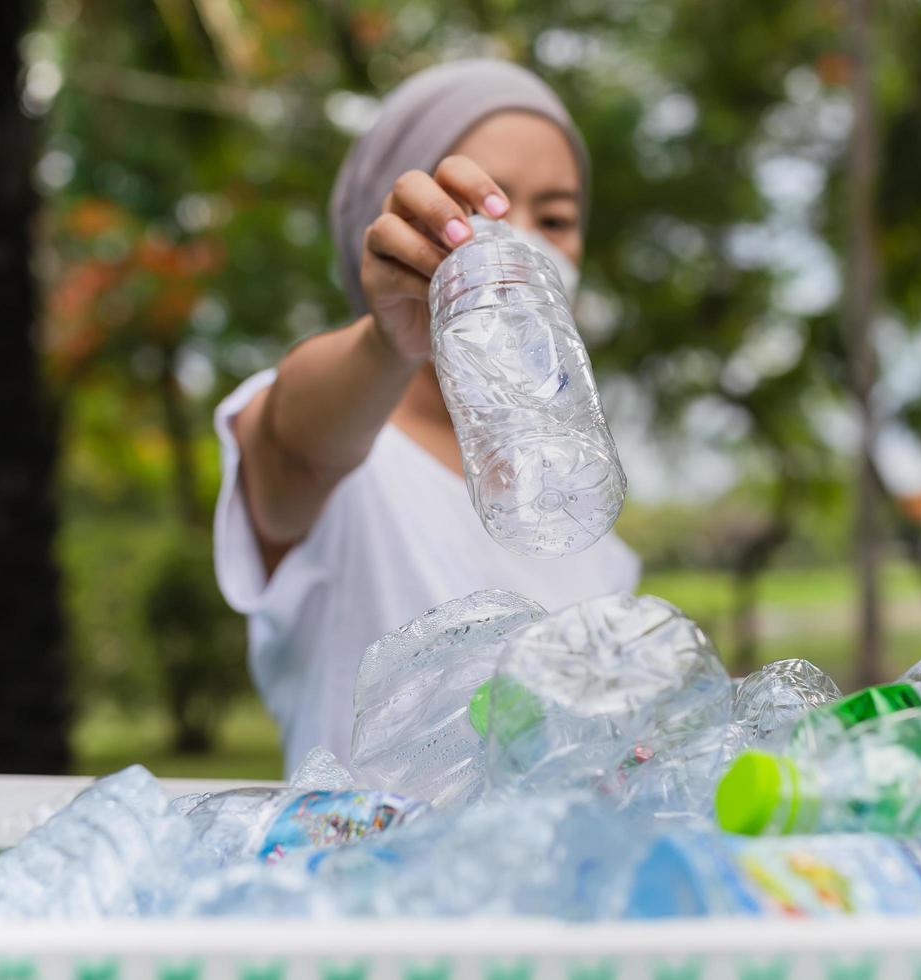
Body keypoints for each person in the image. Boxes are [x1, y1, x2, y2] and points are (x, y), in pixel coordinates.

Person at [213, 60, 640, 776]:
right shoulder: (345, 445)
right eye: (478, 209)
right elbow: (297, 450)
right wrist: (389, 341)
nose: (522, 242)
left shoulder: (582, 512)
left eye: (557, 218)